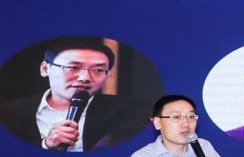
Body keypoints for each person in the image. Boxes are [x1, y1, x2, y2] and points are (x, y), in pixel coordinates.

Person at [0, 36, 152, 151]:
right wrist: (46, 145)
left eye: (98, 70)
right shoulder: (8, 112)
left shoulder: (127, 111)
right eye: (73, 68)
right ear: (45, 69)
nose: (85, 77)